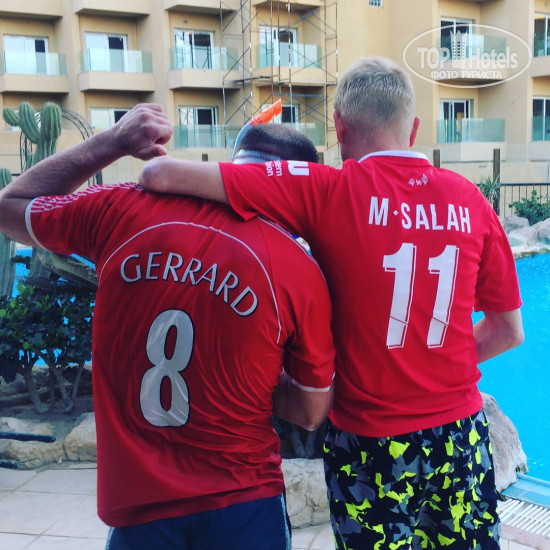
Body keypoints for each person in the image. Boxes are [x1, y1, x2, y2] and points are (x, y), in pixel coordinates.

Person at [138, 57, 525, 550]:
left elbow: (160, 176)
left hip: (371, 447)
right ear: (413, 129)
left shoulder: (328, 191)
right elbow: (509, 331)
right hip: (460, 437)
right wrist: (434, 364)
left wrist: (146, 148)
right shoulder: (471, 201)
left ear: (340, 129)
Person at [0, 104, 335, 550]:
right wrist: (243, 383)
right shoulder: (299, 269)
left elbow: (9, 207)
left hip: (140, 509)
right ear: (299, 184)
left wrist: (113, 141)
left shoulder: (122, 208)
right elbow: (310, 411)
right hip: (244, 504)